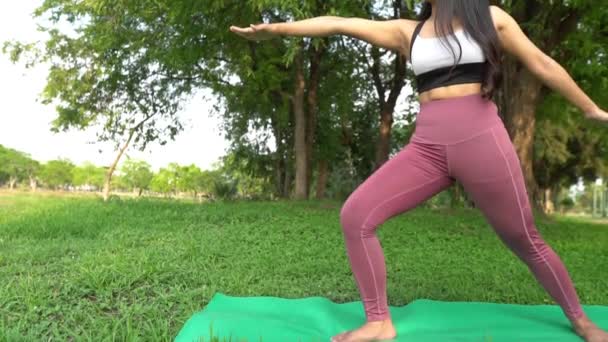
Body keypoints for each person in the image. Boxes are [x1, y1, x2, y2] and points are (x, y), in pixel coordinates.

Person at [230, 0, 608, 341]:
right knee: (356, 215)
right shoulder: (406, 31)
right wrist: (276, 30)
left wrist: (591, 109)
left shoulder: (491, 19)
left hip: (482, 142)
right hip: (427, 149)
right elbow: (339, 22)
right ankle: (379, 321)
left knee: (523, 239)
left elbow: (541, 63)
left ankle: (579, 319)